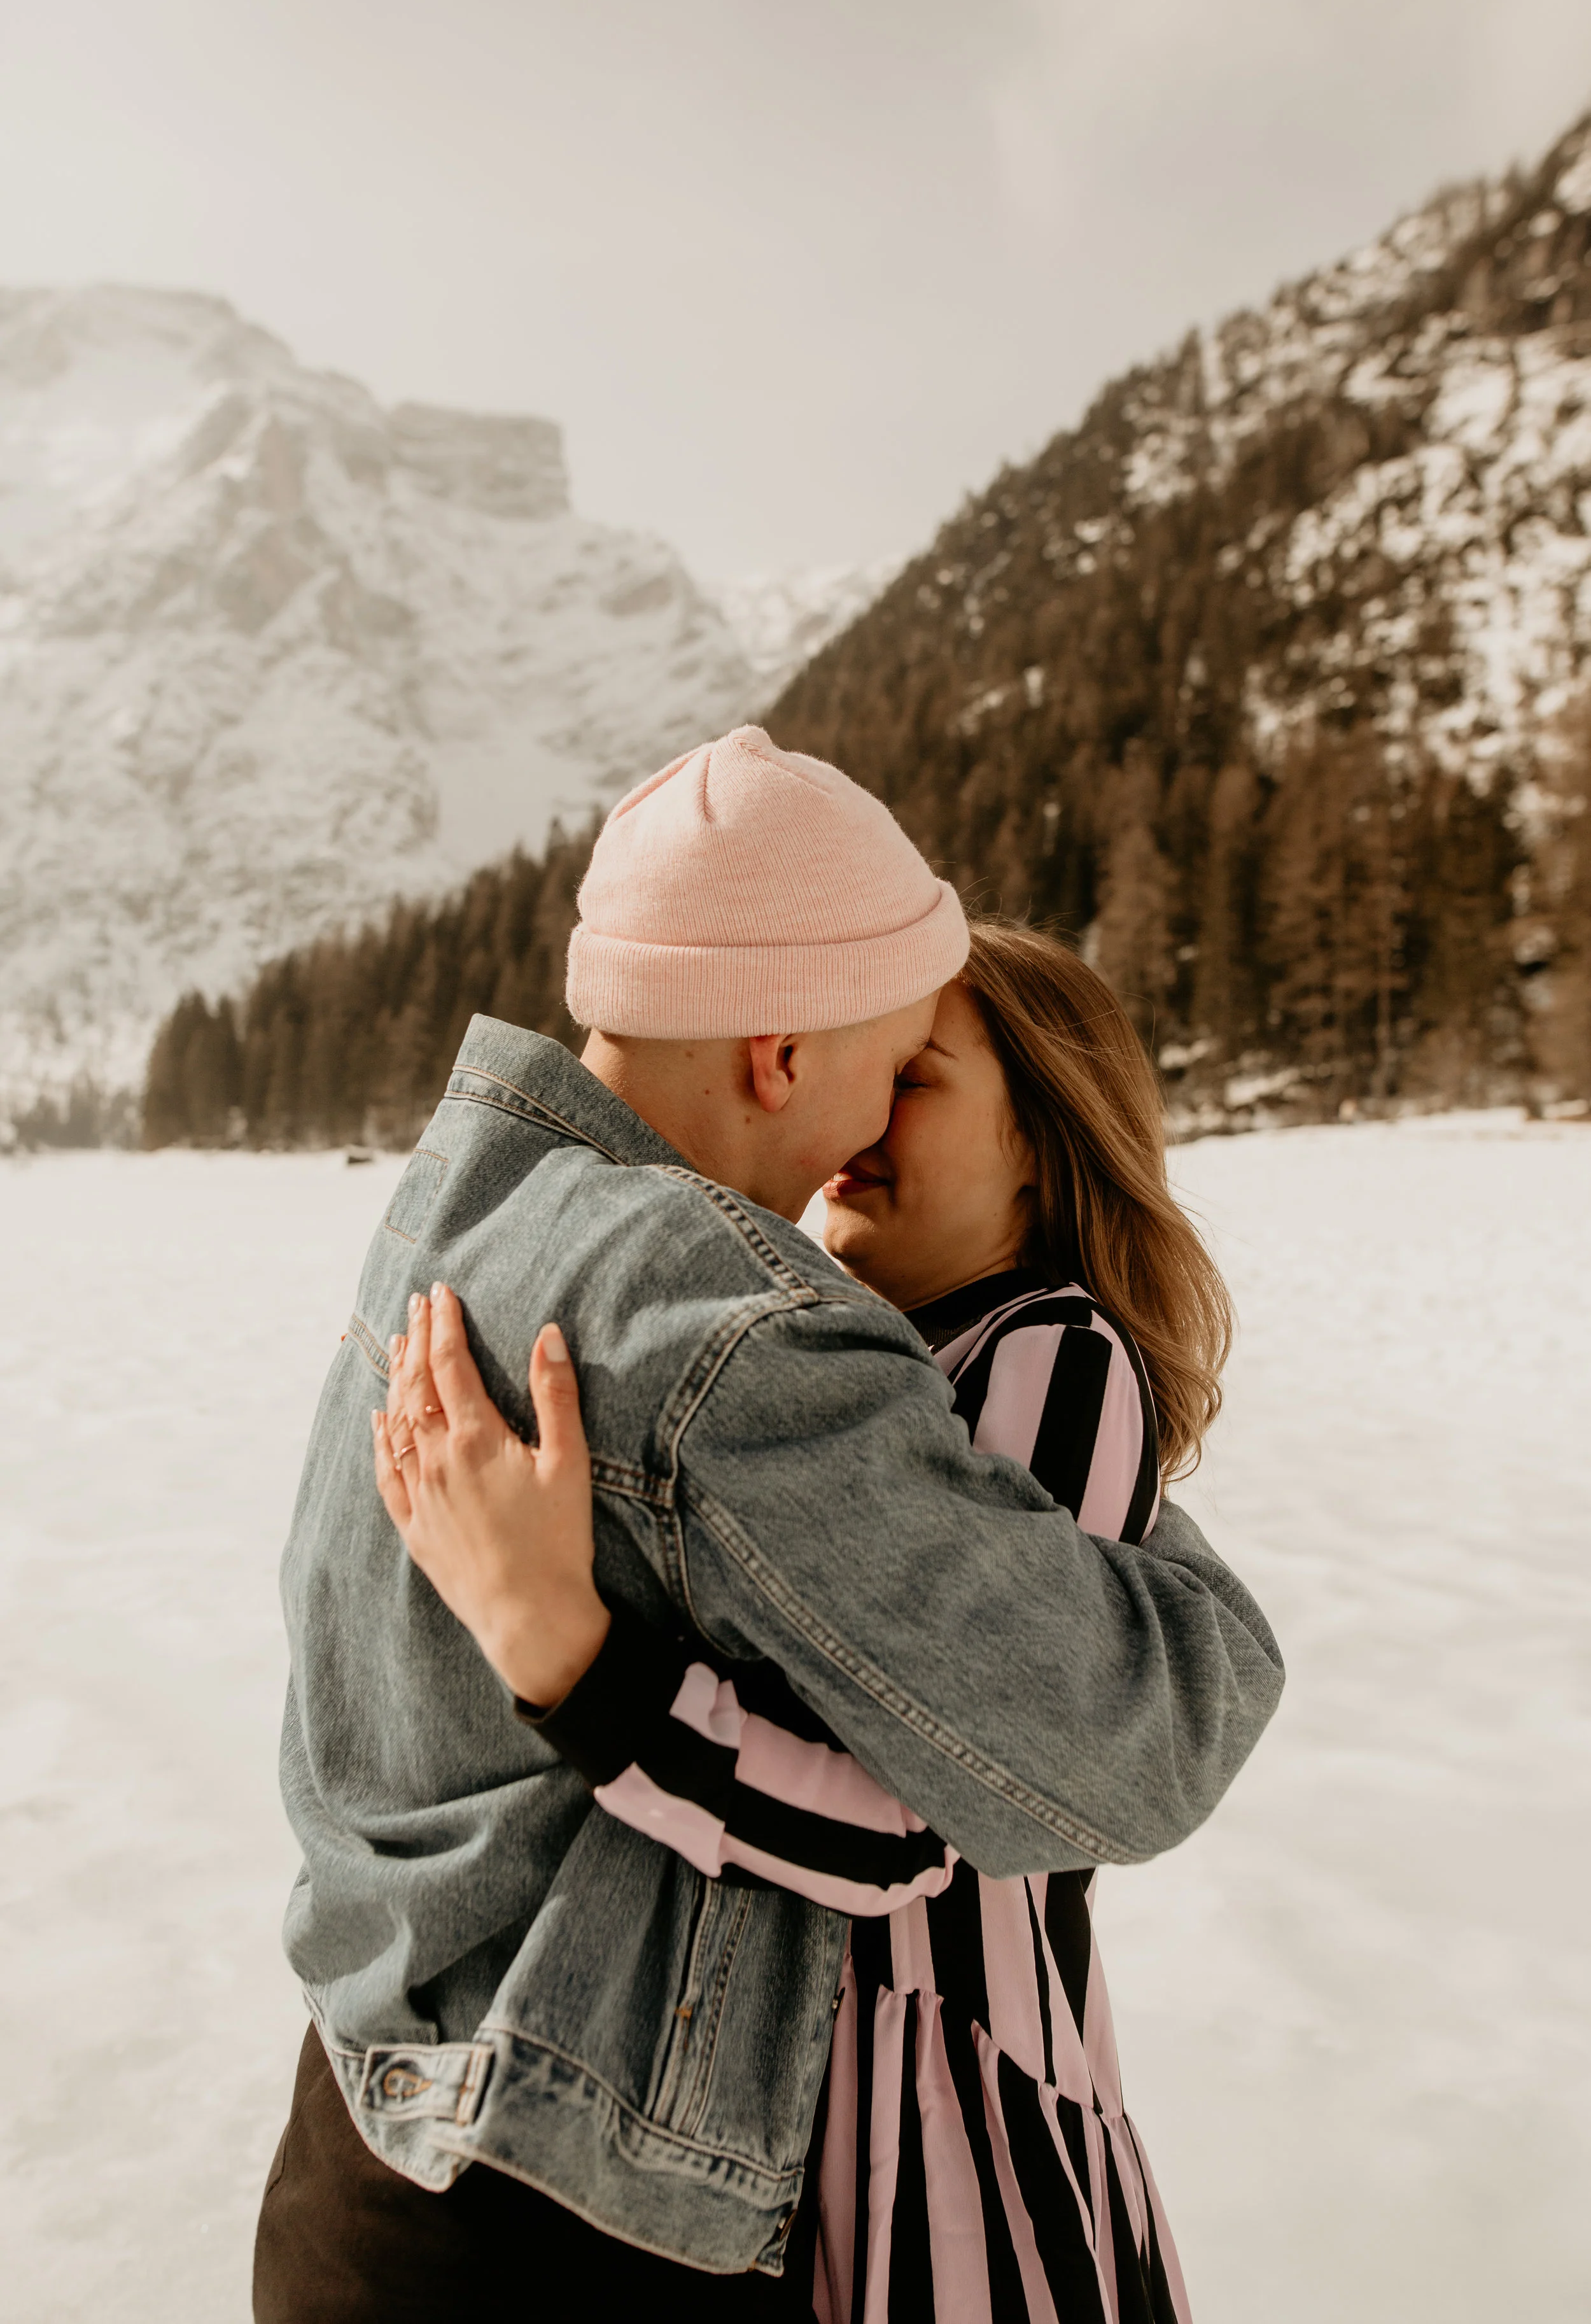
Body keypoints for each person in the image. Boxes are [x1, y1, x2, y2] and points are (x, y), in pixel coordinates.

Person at [255, 727, 1282, 2320]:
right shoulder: (731, 1334)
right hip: (558, 2212)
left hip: (363, 2146)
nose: (871, 1117)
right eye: (889, 1052)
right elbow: (1110, 1743)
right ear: (777, 1054)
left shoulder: (456, 1220)